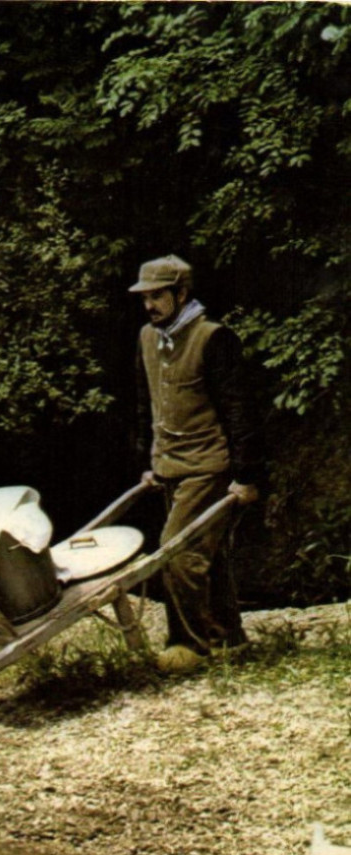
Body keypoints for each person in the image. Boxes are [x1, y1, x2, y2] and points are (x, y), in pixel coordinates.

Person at [130, 255, 265, 674]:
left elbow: (240, 409)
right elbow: (145, 404)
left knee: (178, 554)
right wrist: (147, 461)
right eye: (145, 297)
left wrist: (246, 475)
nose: (150, 305)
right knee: (210, 555)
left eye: (158, 296)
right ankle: (228, 636)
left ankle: (191, 644)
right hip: (169, 465)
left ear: (181, 293)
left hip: (209, 465)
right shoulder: (148, 339)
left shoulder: (213, 338)